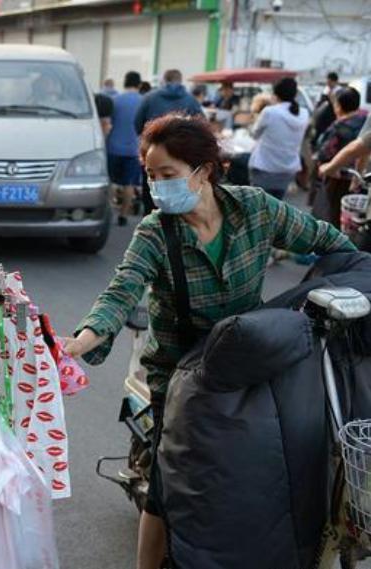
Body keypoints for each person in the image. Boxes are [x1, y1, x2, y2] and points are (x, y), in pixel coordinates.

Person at [62, 114, 354, 569]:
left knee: (267, 466)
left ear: (204, 171)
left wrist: (353, 280)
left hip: (249, 362)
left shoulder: (255, 209)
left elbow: (326, 241)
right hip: (180, 375)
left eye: (168, 175)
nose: (157, 187)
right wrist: (81, 341)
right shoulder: (156, 232)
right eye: (151, 176)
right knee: (166, 485)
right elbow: (121, 291)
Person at [134, 69, 203, 212]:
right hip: (183, 156)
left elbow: (137, 123)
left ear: (164, 80)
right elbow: (201, 127)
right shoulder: (191, 100)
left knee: (151, 190)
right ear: (180, 80)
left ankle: (151, 222)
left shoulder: (149, 98)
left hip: (152, 152)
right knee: (180, 192)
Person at [248, 77, 310, 200]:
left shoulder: (270, 112)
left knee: (259, 207)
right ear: (295, 94)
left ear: (275, 94)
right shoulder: (304, 113)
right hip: (287, 170)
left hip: (264, 168)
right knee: (276, 208)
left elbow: (254, 134)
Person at [315, 87, 367, 227]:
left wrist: (327, 167)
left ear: (339, 106)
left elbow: (325, 152)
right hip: (358, 179)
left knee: (333, 217)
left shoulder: (339, 127)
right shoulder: (364, 121)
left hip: (337, 177)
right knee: (352, 219)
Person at [108, 71, 144, 226]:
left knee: (110, 182)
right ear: (139, 84)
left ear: (125, 82)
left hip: (113, 147)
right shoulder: (144, 101)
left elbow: (109, 123)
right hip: (134, 149)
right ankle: (123, 216)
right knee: (129, 183)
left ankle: (108, 213)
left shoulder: (114, 100)